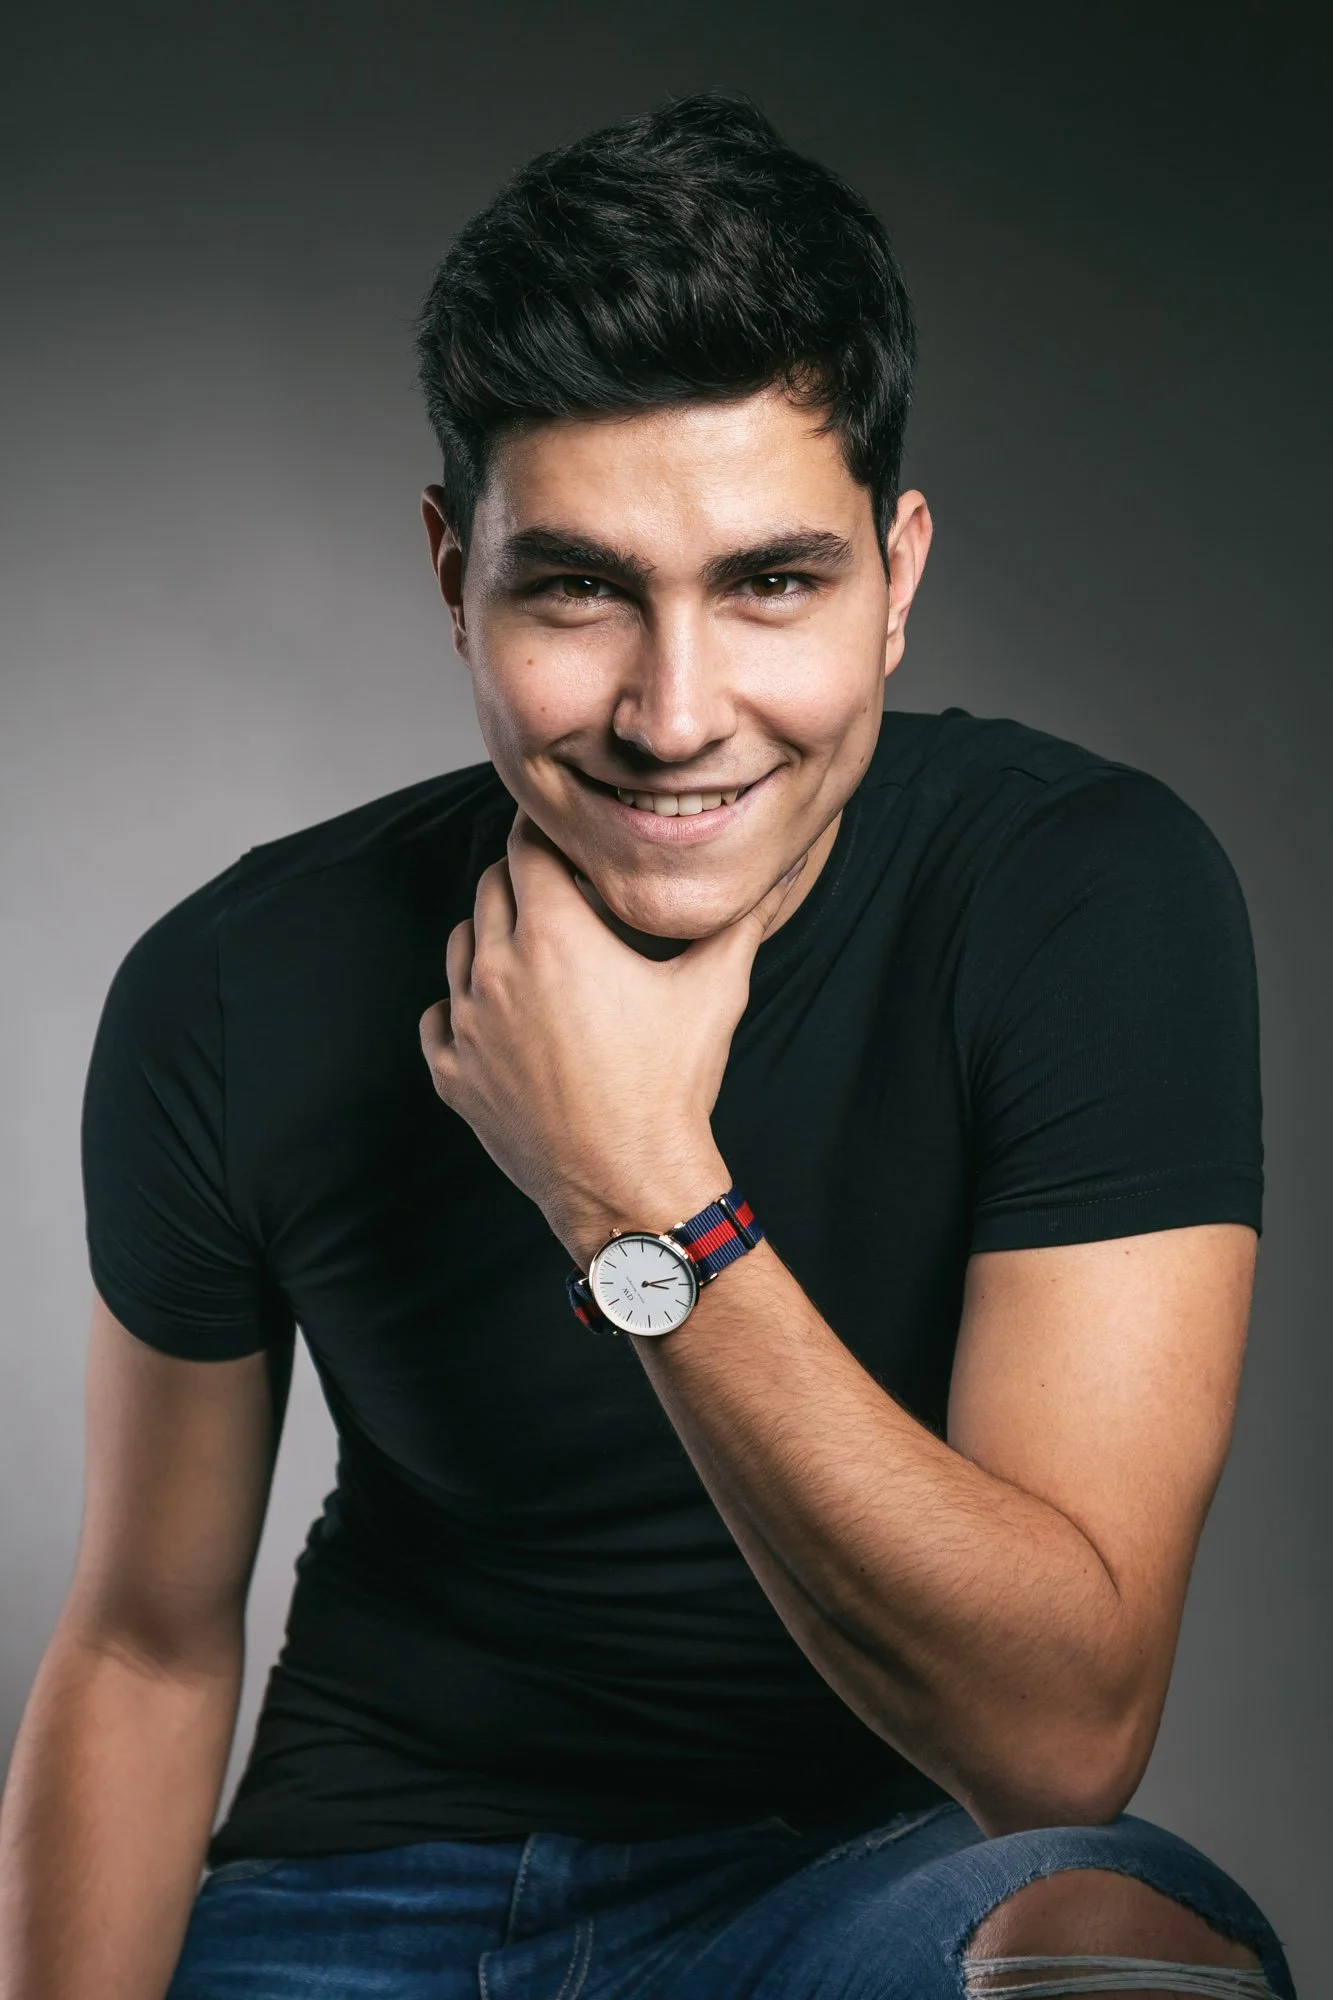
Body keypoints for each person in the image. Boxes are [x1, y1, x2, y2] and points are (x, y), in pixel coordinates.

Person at [0, 90, 1296, 2000]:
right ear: (452, 576)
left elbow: (1058, 1741)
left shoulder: (1085, 899)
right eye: (579, 587)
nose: (676, 715)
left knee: (1119, 1950)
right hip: (359, 1894)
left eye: (772, 582)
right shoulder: (233, 983)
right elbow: (147, 1642)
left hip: (859, 1887)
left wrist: (632, 1182)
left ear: (898, 577)